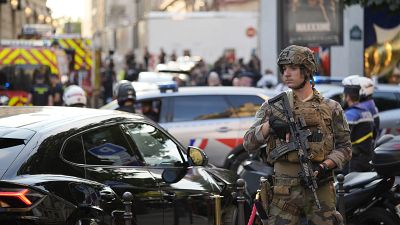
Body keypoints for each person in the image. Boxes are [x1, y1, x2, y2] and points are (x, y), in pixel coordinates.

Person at [243, 45, 351, 225]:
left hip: (320, 186)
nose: (286, 73)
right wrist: (269, 126)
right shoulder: (273, 107)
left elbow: (345, 148)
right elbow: (248, 143)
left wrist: (324, 166)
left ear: (307, 71)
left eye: (292, 68)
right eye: (284, 69)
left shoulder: (332, 108)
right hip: (283, 191)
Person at [342, 76, 375, 174]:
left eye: (344, 95)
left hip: (354, 162)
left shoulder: (350, 115)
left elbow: (342, 139)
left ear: (347, 97)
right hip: (367, 159)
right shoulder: (367, 112)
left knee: (347, 188)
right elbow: (375, 134)